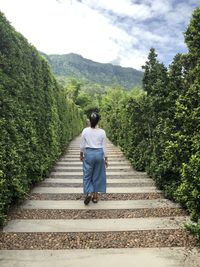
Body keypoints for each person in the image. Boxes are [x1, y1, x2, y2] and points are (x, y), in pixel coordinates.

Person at [80, 112, 108, 205]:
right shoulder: (102, 132)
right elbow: (104, 146)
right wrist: (106, 159)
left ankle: (88, 192)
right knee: (97, 175)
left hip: (89, 154)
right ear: (98, 121)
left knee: (87, 175)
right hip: (99, 154)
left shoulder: (85, 131)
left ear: (90, 120)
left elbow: (82, 145)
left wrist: (81, 154)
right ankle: (95, 196)